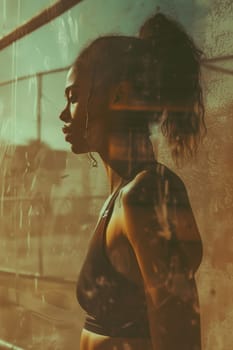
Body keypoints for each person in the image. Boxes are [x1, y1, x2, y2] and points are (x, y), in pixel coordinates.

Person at [59, 13, 205, 350]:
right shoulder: (124, 195)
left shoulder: (145, 193)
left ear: (118, 96)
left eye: (74, 95)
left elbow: (181, 339)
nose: (64, 113)